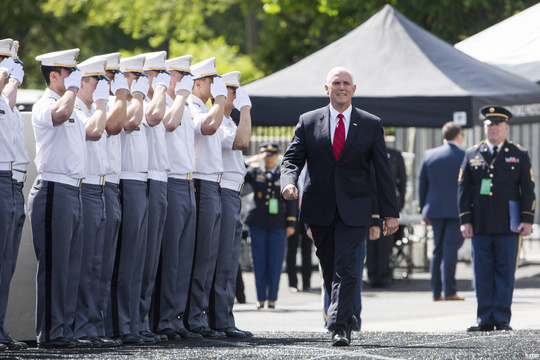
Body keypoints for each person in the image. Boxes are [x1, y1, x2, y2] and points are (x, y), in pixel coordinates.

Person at [281, 67, 399, 346]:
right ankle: (344, 317)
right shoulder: (308, 121)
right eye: (336, 83)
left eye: (346, 83)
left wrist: (389, 214)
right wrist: (288, 182)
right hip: (319, 207)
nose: (341, 87)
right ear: (327, 89)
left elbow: (382, 172)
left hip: (354, 209)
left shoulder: (370, 124)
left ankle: (338, 326)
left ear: (354, 89)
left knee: (347, 268)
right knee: (330, 266)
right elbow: (291, 159)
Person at [29, 48, 93, 348]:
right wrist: (71, 90)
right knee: (55, 266)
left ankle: (65, 330)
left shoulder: (72, 104)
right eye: (70, 73)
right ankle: (51, 333)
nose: (75, 79)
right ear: (54, 76)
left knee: (71, 266)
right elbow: (60, 115)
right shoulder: (47, 104)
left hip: (74, 189)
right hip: (54, 188)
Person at [459, 105, 535, 332]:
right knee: (482, 273)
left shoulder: (519, 154)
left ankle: (502, 318)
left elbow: (528, 190)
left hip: (508, 225)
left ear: (506, 127)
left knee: (504, 272)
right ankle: (484, 317)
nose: (493, 129)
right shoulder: (472, 153)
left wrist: (527, 219)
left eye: (497, 125)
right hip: (480, 224)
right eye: (489, 125)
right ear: (484, 127)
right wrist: (465, 220)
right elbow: (463, 190)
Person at [150, 54, 202, 340]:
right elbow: (168, 124)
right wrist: (181, 95)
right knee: (169, 258)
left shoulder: (182, 104)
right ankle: (164, 319)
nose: (184, 81)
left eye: (186, 76)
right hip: (170, 182)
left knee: (183, 258)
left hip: (187, 182)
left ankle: (176, 317)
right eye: (179, 75)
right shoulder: (167, 104)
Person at [108, 54, 152, 345]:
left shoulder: (135, 100)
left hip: (141, 178)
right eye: (134, 76)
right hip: (124, 179)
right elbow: (131, 123)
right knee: (124, 262)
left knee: (137, 261)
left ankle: (133, 322)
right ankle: (121, 324)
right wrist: (135, 93)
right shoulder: (120, 102)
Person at [207, 71, 253, 337]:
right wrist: (245, 110)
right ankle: (219, 320)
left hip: (232, 194)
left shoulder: (227, 121)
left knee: (229, 260)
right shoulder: (222, 123)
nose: (237, 97)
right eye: (233, 92)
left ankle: (225, 317)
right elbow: (242, 143)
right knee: (223, 259)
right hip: (223, 192)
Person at [184, 57, 228, 338]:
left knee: (208, 258)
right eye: (212, 81)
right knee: (199, 256)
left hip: (213, 183)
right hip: (200, 184)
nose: (215, 86)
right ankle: (192, 318)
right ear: (198, 83)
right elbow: (209, 127)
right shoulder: (192, 106)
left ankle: (198, 316)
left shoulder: (205, 106)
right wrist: (221, 100)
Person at [71, 57, 112, 347]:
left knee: (98, 265)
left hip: (100, 187)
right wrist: (102, 104)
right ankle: (80, 327)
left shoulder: (95, 109)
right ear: (82, 82)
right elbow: (93, 132)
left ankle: (93, 326)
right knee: (84, 264)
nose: (102, 88)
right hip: (84, 189)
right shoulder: (76, 109)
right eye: (97, 81)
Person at [93, 52, 129, 347]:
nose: (113, 83)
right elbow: (114, 126)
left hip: (112, 184)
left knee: (106, 263)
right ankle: (90, 327)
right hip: (95, 186)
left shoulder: (114, 102)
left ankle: (99, 325)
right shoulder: (94, 107)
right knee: (92, 263)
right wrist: (118, 95)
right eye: (106, 78)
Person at [137, 51, 170, 344]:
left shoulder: (157, 100)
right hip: (143, 181)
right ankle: (132, 321)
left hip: (159, 180)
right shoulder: (147, 104)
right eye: (155, 74)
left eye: (163, 74)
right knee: (138, 258)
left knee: (150, 261)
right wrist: (160, 87)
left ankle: (141, 320)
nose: (161, 80)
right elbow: (156, 117)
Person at [0, 38, 29, 351]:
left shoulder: (6, 106)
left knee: (6, 263)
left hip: (12, 183)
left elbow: (7, 97)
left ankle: (0, 326)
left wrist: (13, 78)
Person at [245, 142, 297, 310]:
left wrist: (291, 222)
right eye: (266, 156)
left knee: (275, 262)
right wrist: (251, 160)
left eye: (272, 155)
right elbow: (238, 173)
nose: (269, 159)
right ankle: (260, 298)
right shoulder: (255, 172)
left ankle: (272, 299)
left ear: (277, 156)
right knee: (259, 261)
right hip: (258, 223)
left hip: (278, 224)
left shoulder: (283, 175)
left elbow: (291, 201)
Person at [419, 121, 465, 301]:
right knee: (450, 249)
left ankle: (436, 292)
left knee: (437, 250)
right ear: (458, 135)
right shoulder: (465, 155)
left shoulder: (429, 155)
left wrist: (424, 210)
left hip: (435, 208)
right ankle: (450, 290)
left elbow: (422, 184)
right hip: (457, 209)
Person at [366, 134, 406, 288]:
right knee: (371, 242)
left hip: (387, 206)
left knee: (386, 243)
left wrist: (397, 207)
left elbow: (401, 183)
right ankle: (371, 275)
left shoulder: (395, 155)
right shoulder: (366, 154)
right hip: (369, 206)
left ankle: (384, 275)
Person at [286, 167, 313, 293]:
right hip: (294, 214)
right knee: (292, 249)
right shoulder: (294, 168)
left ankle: (306, 282)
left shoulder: (313, 166)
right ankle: (293, 283)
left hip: (308, 212)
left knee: (307, 250)